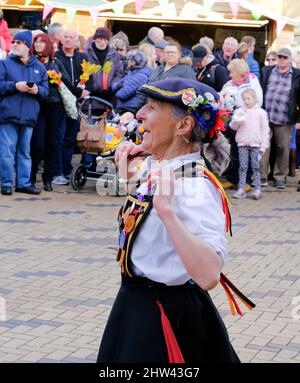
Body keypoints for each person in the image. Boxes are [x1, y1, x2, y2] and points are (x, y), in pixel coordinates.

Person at [96, 77, 248, 363]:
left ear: (183, 126)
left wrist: (166, 211)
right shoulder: (161, 165)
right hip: (136, 306)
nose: (140, 114)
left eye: (152, 108)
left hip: (166, 320)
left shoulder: (194, 186)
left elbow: (208, 275)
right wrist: (130, 176)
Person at [0, 30, 49, 196]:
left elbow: (46, 91)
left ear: (27, 46)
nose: (14, 44)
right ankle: (6, 183)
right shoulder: (5, 63)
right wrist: (15, 86)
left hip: (28, 116)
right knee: (7, 150)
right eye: (14, 41)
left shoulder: (39, 67)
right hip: (8, 114)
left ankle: (23, 183)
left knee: (25, 152)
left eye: (18, 42)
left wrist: (37, 90)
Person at [30, 33, 73, 192]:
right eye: (36, 42)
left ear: (47, 44)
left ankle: (47, 178)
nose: (38, 45)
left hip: (56, 107)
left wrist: (58, 79)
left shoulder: (56, 63)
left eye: (42, 42)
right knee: (37, 143)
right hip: (39, 106)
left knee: (53, 143)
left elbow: (67, 82)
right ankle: (32, 177)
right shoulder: (32, 62)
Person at [54, 29, 92, 185]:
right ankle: (57, 171)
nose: (68, 39)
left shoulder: (82, 57)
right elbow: (61, 80)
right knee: (59, 138)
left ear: (77, 40)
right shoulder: (56, 57)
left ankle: (67, 168)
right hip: (60, 103)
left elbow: (90, 78)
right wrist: (78, 92)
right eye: (66, 37)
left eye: (71, 37)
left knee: (71, 137)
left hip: (76, 105)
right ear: (61, 40)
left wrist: (87, 90)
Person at [220, 59, 263, 189]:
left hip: (248, 122)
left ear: (240, 73)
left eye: (232, 72)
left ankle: (248, 182)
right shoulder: (229, 84)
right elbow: (221, 98)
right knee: (233, 151)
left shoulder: (253, 82)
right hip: (232, 122)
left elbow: (258, 102)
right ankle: (232, 179)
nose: (230, 75)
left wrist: (238, 105)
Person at [261, 47, 300, 189]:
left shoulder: (297, 75)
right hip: (266, 117)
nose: (282, 60)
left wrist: (298, 120)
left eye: (285, 57)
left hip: (285, 119)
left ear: (290, 60)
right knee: (264, 148)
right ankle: (262, 176)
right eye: (280, 57)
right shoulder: (267, 71)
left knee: (283, 148)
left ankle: (280, 177)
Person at [230, 88, 269, 200]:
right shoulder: (239, 111)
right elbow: (233, 127)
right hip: (242, 143)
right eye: (244, 99)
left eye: (248, 99)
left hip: (256, 144)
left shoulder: (261, 113)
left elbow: (265, 130)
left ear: (255, 99)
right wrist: (237, 120)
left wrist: (263, 146)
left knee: (256, 167)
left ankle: (257, 189)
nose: (246, 101)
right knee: (242, 167)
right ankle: (241, 188)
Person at [84, 27, 122, 102]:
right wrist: (91, 88)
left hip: (109, 96)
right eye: (100, 39)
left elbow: (118, 74)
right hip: (90, 95)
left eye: (106, 40)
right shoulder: (86, 54)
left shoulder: (114, 55)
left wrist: (111, 88)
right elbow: (82, 73)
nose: (103, 42)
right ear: (94, 39)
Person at [112, 51, 152, 115]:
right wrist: (120, 86)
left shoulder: (141, 76)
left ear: (135, 62)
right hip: (124, 107)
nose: (128, 61)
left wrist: (120, 87)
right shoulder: (132, 72)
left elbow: (122, 94)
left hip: (129, 109)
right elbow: (114, 86)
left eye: (130, 59)